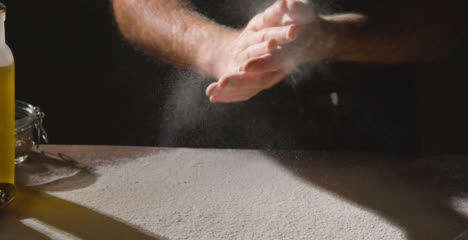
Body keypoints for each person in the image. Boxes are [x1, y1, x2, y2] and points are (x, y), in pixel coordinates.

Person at [112, 0, 466, 150]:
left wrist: (329, 37)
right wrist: (219, 50)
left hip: (371, 148)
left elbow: (440, 21)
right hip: (206, 146)